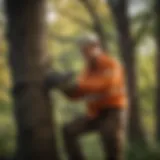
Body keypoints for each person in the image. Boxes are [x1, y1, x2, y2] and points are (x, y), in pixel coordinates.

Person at [46, 34, 128, 160]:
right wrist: (64, 87)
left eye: (87, 49)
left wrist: (75, 85)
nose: (84, 53)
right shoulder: (86, 71)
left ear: (96, 47)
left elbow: (105, 84)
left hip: (113, 112)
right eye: (82, 50)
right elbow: (76, 94)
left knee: (110, 138)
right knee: (68, 130)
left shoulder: (111, 64)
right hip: (95, 114)